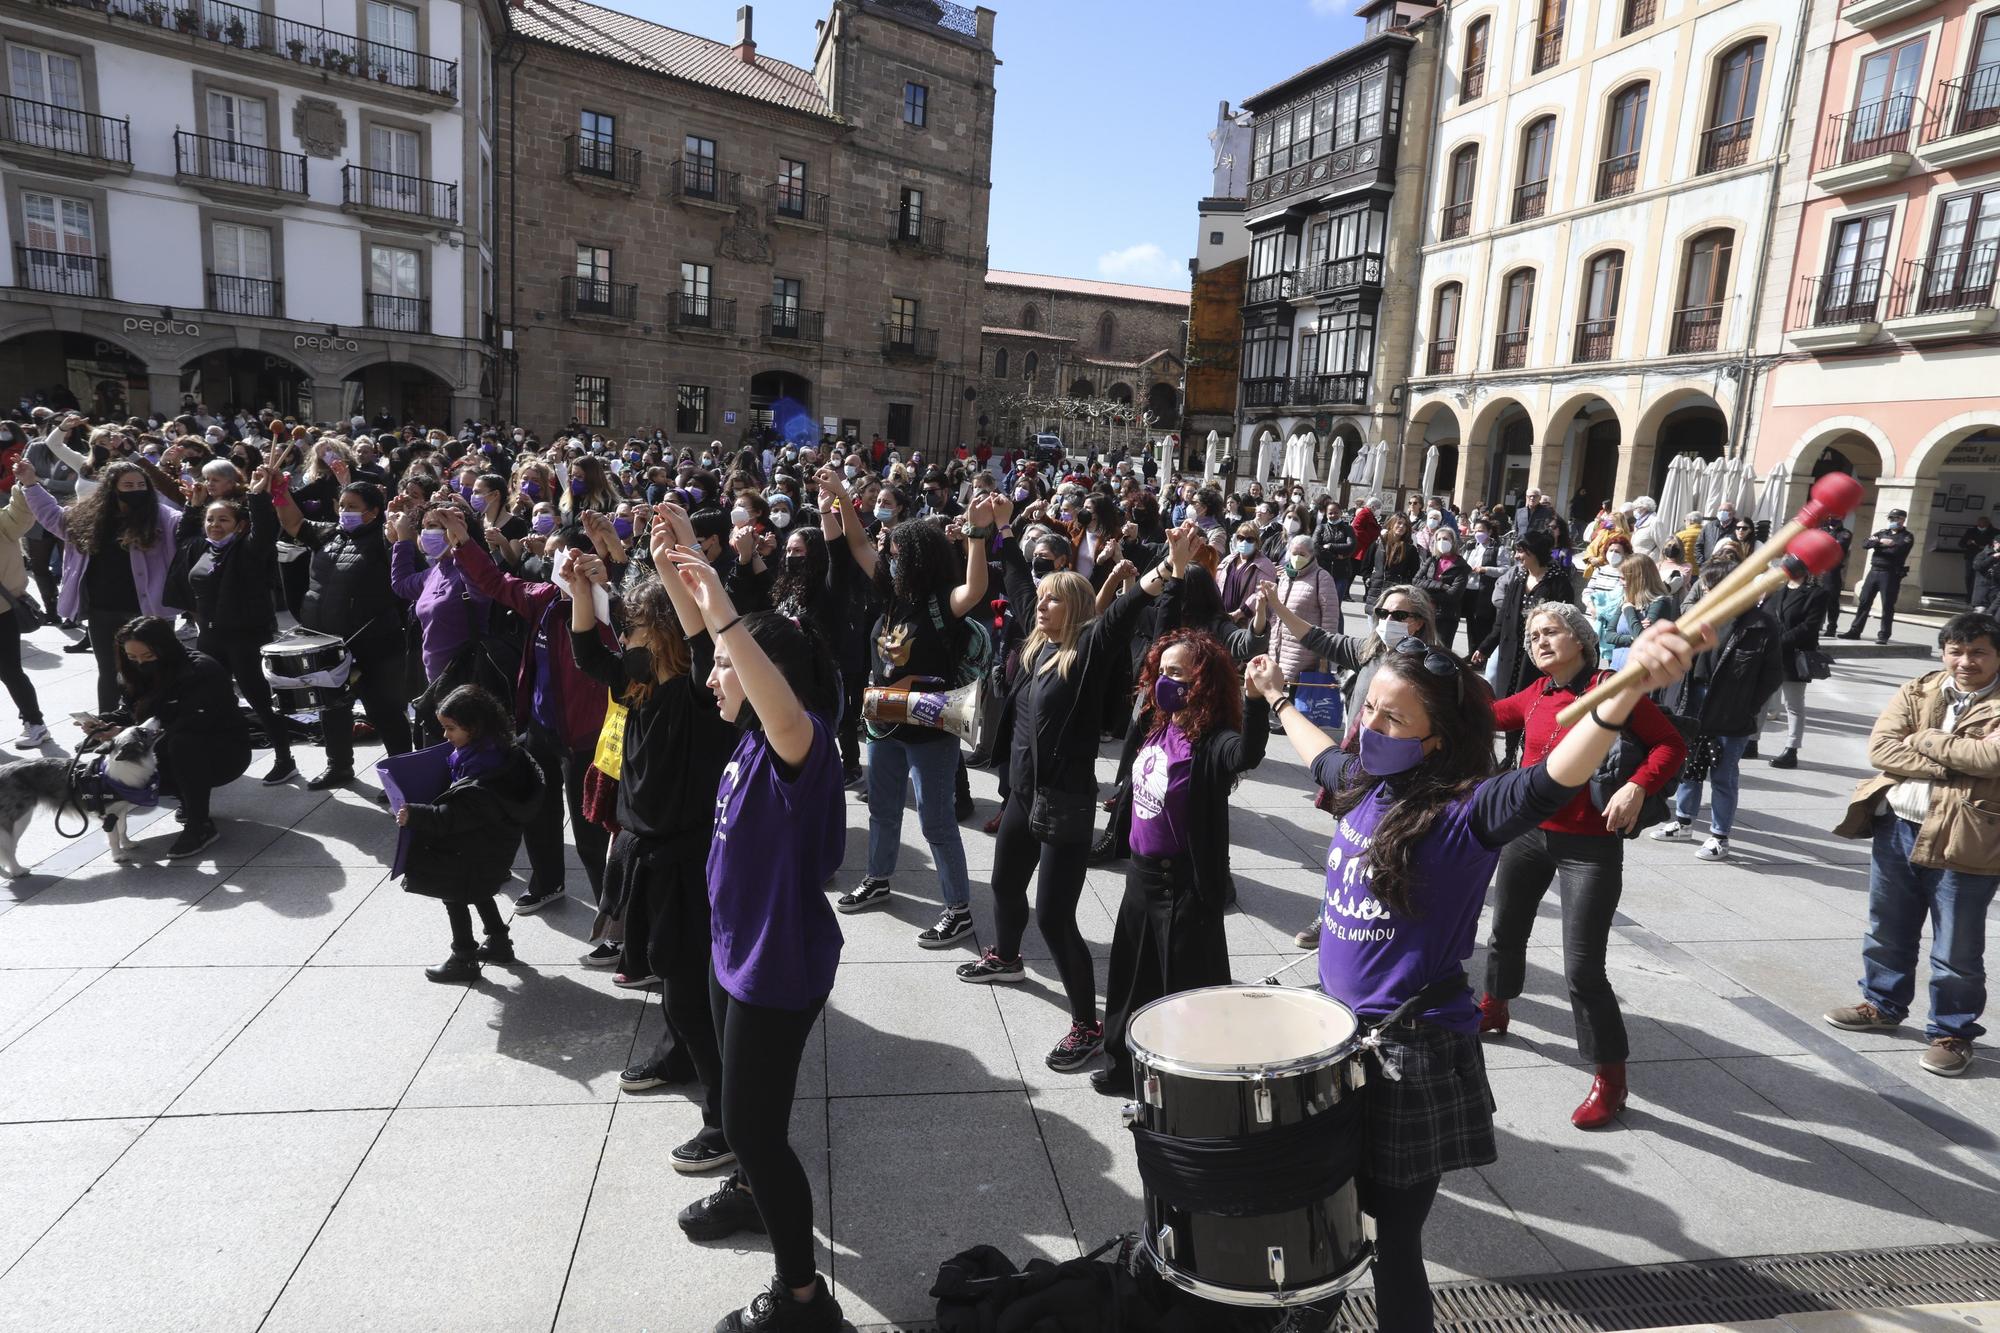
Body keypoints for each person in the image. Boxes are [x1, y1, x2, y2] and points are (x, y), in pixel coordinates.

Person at [1260, 604, 1705, 1329]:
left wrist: (1624, 692)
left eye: (1391, 719)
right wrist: (1276, 694)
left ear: (1437, 739)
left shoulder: (1464, 813)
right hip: (1332, 1038)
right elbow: (1318, 752)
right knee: (1329, 1226)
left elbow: (1551, 780)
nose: (1369, 725)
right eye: (1368, 706)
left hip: (1410, 1048)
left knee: (1391, 1238)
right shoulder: (1367, 781)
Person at [658, 543, 849, 1333]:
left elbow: (749, 666)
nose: (710, 676)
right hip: (732, 944)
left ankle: (805, 1300)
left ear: (768, 678)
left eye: (728, 667)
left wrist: (728, 612)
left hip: (777, 962)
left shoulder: (800, 744)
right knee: (730, 1091)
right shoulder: (749, 726)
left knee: (755, 1130)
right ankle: (749, 1189)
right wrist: (679, 565)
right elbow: (717, 645)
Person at [953, 523, 1175, 1074]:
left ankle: (1088, 1024)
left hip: (1066, 805)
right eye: (1042, 599)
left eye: (1054, 601)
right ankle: (1006, 958)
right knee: (1004, 885)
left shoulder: (1088, 653)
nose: (1043, 606)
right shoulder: (1038, 647)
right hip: (1023, 798)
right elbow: (1017, 582)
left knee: (1054, 917)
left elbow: (1121, 616)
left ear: (1073, 609)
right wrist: (989, 533)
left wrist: (1163, 567)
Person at [566, 525, 737, 1159]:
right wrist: (583, 588)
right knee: (666, 973)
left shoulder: (697, 696)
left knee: (690, 986)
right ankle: (677, 1058)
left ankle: (724, 1115)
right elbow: (589, 653)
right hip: (644, 849)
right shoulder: (637, 685)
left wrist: (670, 565)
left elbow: (701, 634)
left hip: (685, 859)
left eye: (635, 631)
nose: (626, 642)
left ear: (662, 634)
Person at [1481, 604, 1686, 1128]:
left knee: (1582, 969)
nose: (1538, 641)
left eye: (1550, 632)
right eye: (1531, 635)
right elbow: (1488, 714)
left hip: (1589, 846)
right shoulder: (1538, 694)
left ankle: (1610, 1079)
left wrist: (1638, 786)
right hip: (1527, 833)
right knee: (1504, 932)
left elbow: (1670, 744)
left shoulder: (1611, 687)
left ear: (1580, 638)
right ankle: (1495, 1007)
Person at [1093, 628, 1269, 1096]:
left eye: (1177, 674)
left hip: (1183, 886)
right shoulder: (1158, 722)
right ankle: (1122, 1068)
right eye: (1161, 671)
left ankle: (1192, 1088)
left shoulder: (1213, 740)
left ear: (1203, 682)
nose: (1165, 681)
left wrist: (1257, 701)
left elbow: (1247, 753)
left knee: (1187, 996)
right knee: (1130, 983)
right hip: (1140, 879)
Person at [1826, 612, 2000, 1078]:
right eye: (1957, 651)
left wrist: (1923, 739)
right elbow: (1882, 748)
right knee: (1887, 928)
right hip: (1898, 826)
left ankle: (1952, 1031)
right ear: (1944, 651)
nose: (1966, 661)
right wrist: (1951, 761)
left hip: (1968, 837)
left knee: (1956, 948)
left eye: (1979, 651)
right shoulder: (1919, 688)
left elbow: (1993, 756)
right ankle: (1882, 1004)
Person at [831, 477, 992, 947]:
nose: (887, 551)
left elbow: (976, 588)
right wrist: (841, 497)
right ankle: (879, 880)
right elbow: (858, 542)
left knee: (936, 823)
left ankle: (958, 910)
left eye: (896, 549)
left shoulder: (943, 602)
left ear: (916, 556)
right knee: (882, 810)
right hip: (885, 726)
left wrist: (979, 536)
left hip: (930, 730)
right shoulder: (891, 593)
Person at [1264, 583, 1443, 949]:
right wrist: (1277, 607)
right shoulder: (1367, 651)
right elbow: (1314, 637)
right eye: (1383, 613)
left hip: (1407, 779)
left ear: (1420, 623)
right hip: (1359, 769)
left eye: (1399, 615)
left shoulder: (1431, 665)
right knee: (1346, 847)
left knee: (1390, 852)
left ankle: (1385, 924)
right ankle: (1331, 912)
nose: (1388, 620)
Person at [449, 518, 613, 914]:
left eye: (559, 555)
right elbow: (495, 582)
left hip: (587, 739)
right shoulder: (543, 597)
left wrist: (605, 580)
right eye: (546, 556)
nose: (550, 563)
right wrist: (463, 541)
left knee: (590, 834)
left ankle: (613, 921)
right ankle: (547, 883)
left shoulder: (608, 607)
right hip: (541, 729)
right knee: (537, 812)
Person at [394, 684, 544, 983]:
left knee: (455, 896)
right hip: (486, 851)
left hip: (470, 851)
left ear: (474, 728)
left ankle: (463, 957)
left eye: (451, 729)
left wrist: (414, 814)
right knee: (479, 891)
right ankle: (500, 942)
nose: (445, 736)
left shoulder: (481, 776)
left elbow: (453, 818)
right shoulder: (499, 753)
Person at [20, 458, 182, 714]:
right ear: (111, 488)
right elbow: (53, 517)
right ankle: (106, 724)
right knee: (109, 672)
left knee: (155, 670)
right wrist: (30, 483)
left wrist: (196, 507)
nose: (136, 489)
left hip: (149, 611)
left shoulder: (163, 517)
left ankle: (156, 723)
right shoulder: (88, 517)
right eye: (128, 485)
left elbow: (188, 525)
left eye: (141, 484)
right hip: (102, 610)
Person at [1650, 563, 1785, 860]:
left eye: (1715, 588)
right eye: (1706, 588)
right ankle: (1684, 821)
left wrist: (1747, 706)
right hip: (1691, 701)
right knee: (1689, 767)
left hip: (1730, 709)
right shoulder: (1694, 617)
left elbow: (1772, 676)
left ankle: (1719, 836)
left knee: (1723, 774)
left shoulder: (1760, 624)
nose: (1708, 594)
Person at [93, 615, 252, 859]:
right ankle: (187, 799)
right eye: (132, 658)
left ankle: (199, 826)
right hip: (167, 747)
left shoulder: (201, 670)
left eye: (148, 657)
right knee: (113, 756)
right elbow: (131, 712)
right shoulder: (132, 674)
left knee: (183, 744)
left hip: (222, 750)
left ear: (165, 649)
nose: (140, 664)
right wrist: (104, 724)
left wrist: (130, 734)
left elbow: (196, 722)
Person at [182, 469, 292, 784]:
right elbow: (183, 537)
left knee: (258, 697)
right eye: (210, 520)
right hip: (211, 639)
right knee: (209, 700)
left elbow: (266, 529)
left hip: (245, 638)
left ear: (240, 526)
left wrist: (258, 495)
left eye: (223, 521)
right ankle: (220, 756)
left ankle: (285, 757)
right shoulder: (203, 549)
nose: (215, 526)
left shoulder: (248, 551)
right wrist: (194, 506)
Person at [1764, 558, 1829, 770]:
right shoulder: (1778, 591)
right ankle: (1752, 741)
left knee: (1794, 705)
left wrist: (1779, 641)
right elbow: (1767, 616)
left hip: (1794, 656)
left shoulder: (1815, 594)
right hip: (1771, 654)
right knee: (1761, 701)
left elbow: (1809, 626)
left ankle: (1791, 749)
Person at [0, 467, 48, 748]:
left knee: (9, 671)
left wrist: (24, 482)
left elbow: (20, 513)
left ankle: (35, 723)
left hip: (2, 611)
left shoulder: (3, 522)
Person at [1840, 508, 1916, 644]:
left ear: (1902, 520)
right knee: (1864, 601)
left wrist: (1878, 544)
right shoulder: (1882, 533)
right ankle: (1855, 631)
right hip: (1874, 571)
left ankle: (1884, 635)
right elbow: (1865, 544)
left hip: (1890, 573)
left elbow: (1897, 550)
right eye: (1890, 518)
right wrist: (1882, 543)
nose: (1892, 521)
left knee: (1887, 605)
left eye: (1895, 518)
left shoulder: (1907, 536)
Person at [1414, 524, 1469, 648]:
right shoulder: (1432, 560)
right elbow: (1416, 581)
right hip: (1426, 612)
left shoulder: (1461, 566)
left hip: (1446, 615)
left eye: (1445, 539)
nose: (1442, 542)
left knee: (1441, 650)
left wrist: (1428, 594)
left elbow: (1454, 594)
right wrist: (1440, 585)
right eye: (1438, 539)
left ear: (1453, 542)